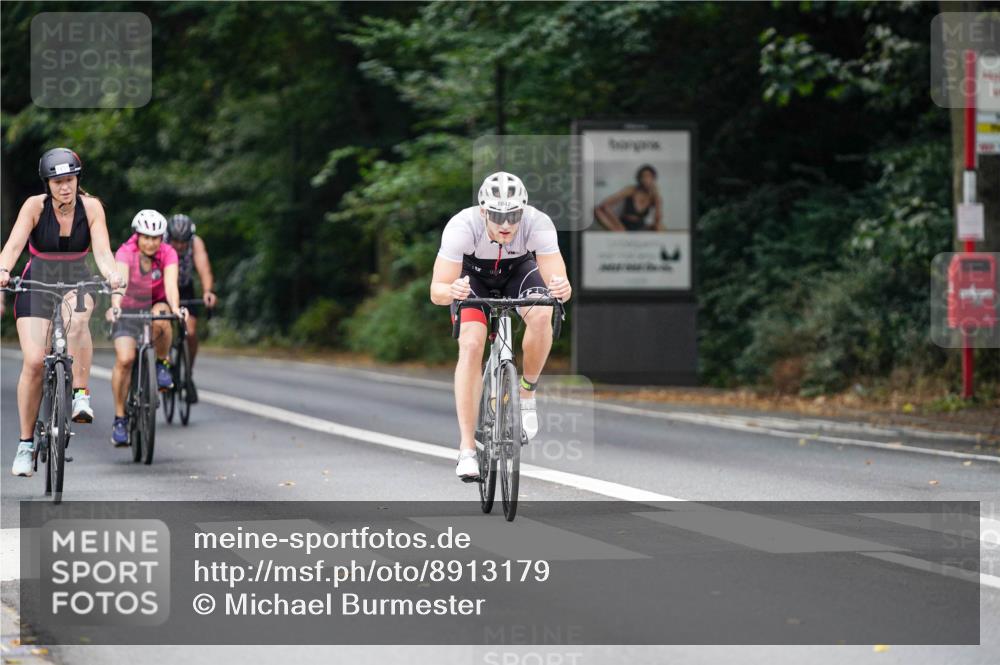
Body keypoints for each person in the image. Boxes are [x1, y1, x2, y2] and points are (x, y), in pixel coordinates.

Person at [430, 172, 572, 480]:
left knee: (542, 313)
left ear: (523, 211)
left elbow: (559, 283)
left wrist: (562, 288)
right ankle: (467, 449)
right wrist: (452, 290)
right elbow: (437, 292)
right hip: (473, 278)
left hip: (518, 271)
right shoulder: (461, 227)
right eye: (497, 215)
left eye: (514, 215)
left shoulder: (538, 224)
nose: (506, 224)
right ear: (483, 212)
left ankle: (527, 394)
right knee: (471, 344)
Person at [1, 148, 123, 477]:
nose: (65, 187)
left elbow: (102, 251)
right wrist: (3, 269)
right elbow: (13, 245)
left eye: (70, 180)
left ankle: (80, 394)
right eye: (58, 182)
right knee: (33, 362)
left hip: (77, 278)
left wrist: (112, 273)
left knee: (78, 321)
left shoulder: (92, 207)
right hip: (37, 280)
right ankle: (25, 444)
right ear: (48, 185)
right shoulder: (34, 207)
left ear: (77, 180)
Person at [106, 210, 187, 447]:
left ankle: (161, 363)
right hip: (128, 308)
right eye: (146, 237)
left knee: (163, 315)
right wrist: (115, 306)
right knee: (125, 360)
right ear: (137, 236)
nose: (151, 243)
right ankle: (120, 419)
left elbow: (171, 286)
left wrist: (176, 308)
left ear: (162, 238)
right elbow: (120, 284)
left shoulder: (168, 252)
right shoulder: (125, 252)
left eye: (156, 238)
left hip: (155, 303)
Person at [165, 214, 217, 402]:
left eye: (183, 242)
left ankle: (187, 373)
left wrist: (208, 291)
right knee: (162, 327)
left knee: (191, 332)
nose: (180, 246)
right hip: (163, 287)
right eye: (176, 241)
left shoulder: (196, 243)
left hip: (185, 288)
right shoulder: (160, 242)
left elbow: (204, 269)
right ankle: (165, 363)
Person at [594, 164, 664, 231]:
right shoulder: (631, 190)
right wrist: (618, 224)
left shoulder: (655, 196)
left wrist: (657, 197)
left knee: (660, 227)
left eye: (649, 176)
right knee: (597, 210)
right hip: (623, 225)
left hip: (640, 226)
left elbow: (657, 221)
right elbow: (605, 204)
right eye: (643, 176)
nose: (646, 179)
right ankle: (620, 231)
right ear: (639, 178)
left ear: (653, 179)